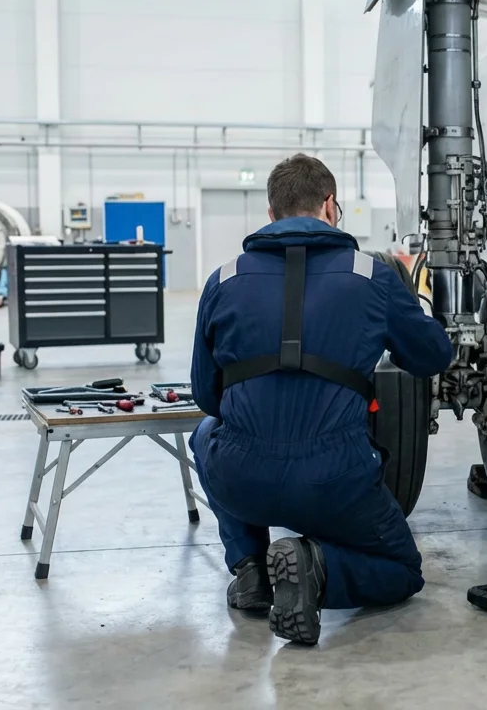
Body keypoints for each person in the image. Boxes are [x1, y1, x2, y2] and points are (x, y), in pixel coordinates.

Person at [189, 153, 453, 645]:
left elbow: (206, 395)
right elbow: (432, 356)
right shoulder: (372, 276)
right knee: (401, 569)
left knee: (204, 433)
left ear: (271, 214)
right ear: (331, 205)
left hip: (241, 477)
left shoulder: (222, 280)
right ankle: (316, 567)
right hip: (334, 482)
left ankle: (249, 570)